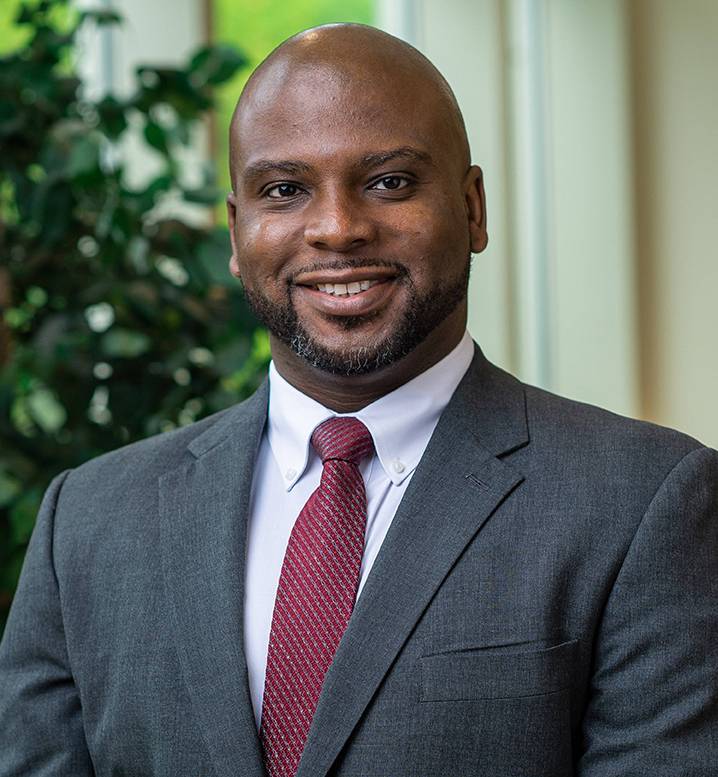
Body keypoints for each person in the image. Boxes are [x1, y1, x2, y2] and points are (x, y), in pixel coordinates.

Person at [0, 22, 716, 777]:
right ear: (237, 235)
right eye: (285, 190)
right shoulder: (87, 519)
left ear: (473, 208)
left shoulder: (646, 503)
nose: (338, 228)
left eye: (390, 182)